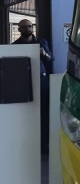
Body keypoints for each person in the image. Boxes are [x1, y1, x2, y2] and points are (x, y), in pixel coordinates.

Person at [13, 19, 53, 154]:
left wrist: (43, 53)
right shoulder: (14, 46)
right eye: (23, 27)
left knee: (44, 112)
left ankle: (44, 144)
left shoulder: (41, 43)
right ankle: (27, 144)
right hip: (23, 83)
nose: (27, 29)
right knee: (25, 115)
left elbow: (50, 59)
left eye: (29, 26)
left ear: (33, 28)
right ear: (18, 29)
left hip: (42, 82)